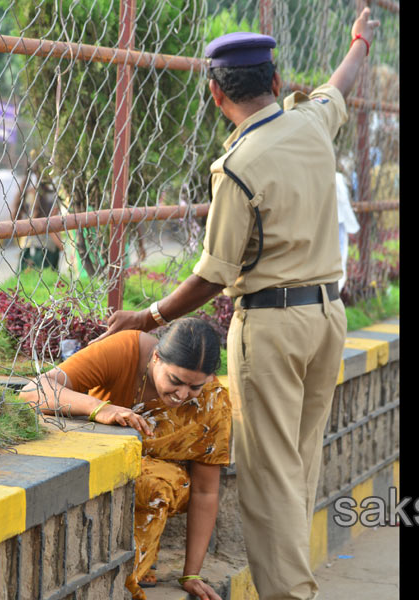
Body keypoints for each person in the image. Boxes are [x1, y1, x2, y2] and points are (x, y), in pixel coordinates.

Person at [92, 8, 380, 600]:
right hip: (329, 318)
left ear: (214, 93)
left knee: (270, 476)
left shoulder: (238, 166)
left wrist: (148, 318)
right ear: (275, 83)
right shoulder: (310, 121)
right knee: (300, 463)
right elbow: (341, 82)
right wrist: (361, 40)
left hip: (272, 327)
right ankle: (296, 581)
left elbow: (212, 275)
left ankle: (290, 594)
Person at [19, 317, 230, 600]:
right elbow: (32, 390)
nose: (182, 395)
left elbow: (206, 491)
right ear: (156, 357)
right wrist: (97, 408)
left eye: (194, 388)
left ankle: (131, 572)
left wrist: (191, 573)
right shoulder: (125, 350)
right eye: (175, 381)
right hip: (105, 469)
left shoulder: (213, 402)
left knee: (153, 482)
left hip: (164, 488)